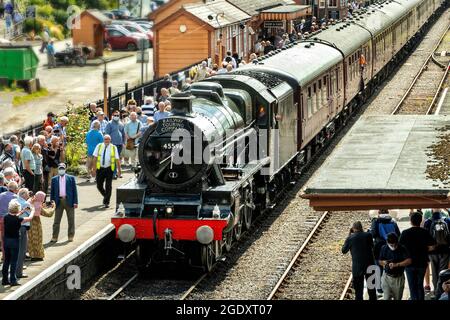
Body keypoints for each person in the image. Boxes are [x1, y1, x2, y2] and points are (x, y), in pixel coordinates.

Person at [399, 211, 436, 300]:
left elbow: (400, 248)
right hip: (422, 263)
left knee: (412, 286)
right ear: (420, 221)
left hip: (409, 263)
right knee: (420, 285)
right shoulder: (425, 232)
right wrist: (424, 249)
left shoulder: (405, 233)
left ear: (411, 221)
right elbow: (433, 247)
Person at [342, 221, 377, 300]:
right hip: (369, 266)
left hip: (357, 268)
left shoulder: (350, 238)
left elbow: (343, 250)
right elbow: (372, 246)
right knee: (372, 290)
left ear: (353, 229)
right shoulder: (368, 235)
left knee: (358, 292)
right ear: (361, 227)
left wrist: (349, 235)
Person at [1, 200, 34, 286]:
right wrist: (33, 211)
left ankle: (4, 280)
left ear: (9, 209)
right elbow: (29, 218)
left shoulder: (5, 217)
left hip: (6, 241)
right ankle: (13, 280)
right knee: (14, 261)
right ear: (17, 209)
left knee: (6, 261)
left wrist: (22, 211)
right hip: (15, 241)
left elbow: (14, 215)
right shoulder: (19, 219)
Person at [370, 209, 401, 294]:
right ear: (387, 212)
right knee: (390, 266)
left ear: (379, 213)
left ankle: (379, 289)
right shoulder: (393, 221)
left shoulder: (376, 221)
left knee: (378, 267)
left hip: (379, 248)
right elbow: (398, 234)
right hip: (390, 248)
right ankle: (391, 287)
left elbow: (373, 234)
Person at [423, 208, 450, 296]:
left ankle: (435, 292)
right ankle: (442, 293)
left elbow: (425, 237)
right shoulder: (446, 220)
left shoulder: (428, 222)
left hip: (433, 251)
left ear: (431, 211)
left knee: (434, 273)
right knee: (443, 273)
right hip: (445, 251)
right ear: (441, 211)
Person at [379, 233, 412, 300]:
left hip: (398, 278)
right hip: (386, 277)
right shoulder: (384, 248)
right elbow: (380, 261)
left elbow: (409, 261)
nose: (393, 247)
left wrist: (397, 264)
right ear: (387, 242)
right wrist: (384, 263)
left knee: (397, 297)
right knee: (386, 297)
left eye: (395, 245)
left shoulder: (402, 248)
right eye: (391, 245)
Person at [50, 163, 78, 242]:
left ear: (65, 169)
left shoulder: (71, 178)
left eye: (63, 168)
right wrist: (52, 202)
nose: (61, 170)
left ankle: (70, 236)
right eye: (60, 168)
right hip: (58, 202)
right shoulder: (54, 179)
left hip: (69, 201)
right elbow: (52, 192)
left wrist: (75, 202)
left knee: (71, 220)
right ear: (58, 169)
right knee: (56, 221)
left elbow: (74, 191)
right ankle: (54, 237)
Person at [93, 135, 121, 209]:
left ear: (110, 140)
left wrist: (119, 171)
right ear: (103, 139)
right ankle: (106, 196)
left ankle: (106, 202)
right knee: (99, 186)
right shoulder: (99, 146)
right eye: (105, 139)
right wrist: (94, 169)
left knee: (108, 186)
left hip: (109, 169)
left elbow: (117, 160)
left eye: (108, 139)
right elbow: (95, 158)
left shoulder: (113, 147)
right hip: (100, 169)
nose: (107, 140)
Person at [28, 191, 55, 261]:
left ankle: (32, 255)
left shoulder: (31, 201)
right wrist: (53, 207)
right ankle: (38, 255)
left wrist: (46, 206)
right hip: (36, 223)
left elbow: (41, 206)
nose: (44, 199)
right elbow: (49, 214)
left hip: (28, 222)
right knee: (38, 239)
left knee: (31, 240)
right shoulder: (38, 205)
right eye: (43, 198)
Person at [16, 188, 32, 279]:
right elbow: (30, 215)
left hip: (12, 228)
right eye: (27, 194)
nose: (28, 196)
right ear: (24, 194)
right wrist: (32, 209)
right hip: (22, 228)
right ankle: (19, 272)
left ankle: (14, 269)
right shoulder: (26, 204)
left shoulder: (13, 201)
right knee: (22, 250)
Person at [0, 181, 18, 261]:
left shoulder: (0, 195)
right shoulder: (15, 197)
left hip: (1, 219)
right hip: (11, 220)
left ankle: (4, 256)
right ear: (15, 189)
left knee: (3, 238)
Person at [105, 110, 125, 178]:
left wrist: (123, 142)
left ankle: (117, 173)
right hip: (112, 144)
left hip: (119, 144)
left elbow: (123, 134)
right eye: (115, 115)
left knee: (118, 159)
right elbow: (107, 134)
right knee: (113, 159)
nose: (116, 117)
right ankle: (113, 174)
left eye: (118, 115)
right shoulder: (109, 123)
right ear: (112, 116)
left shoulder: (121, 123)